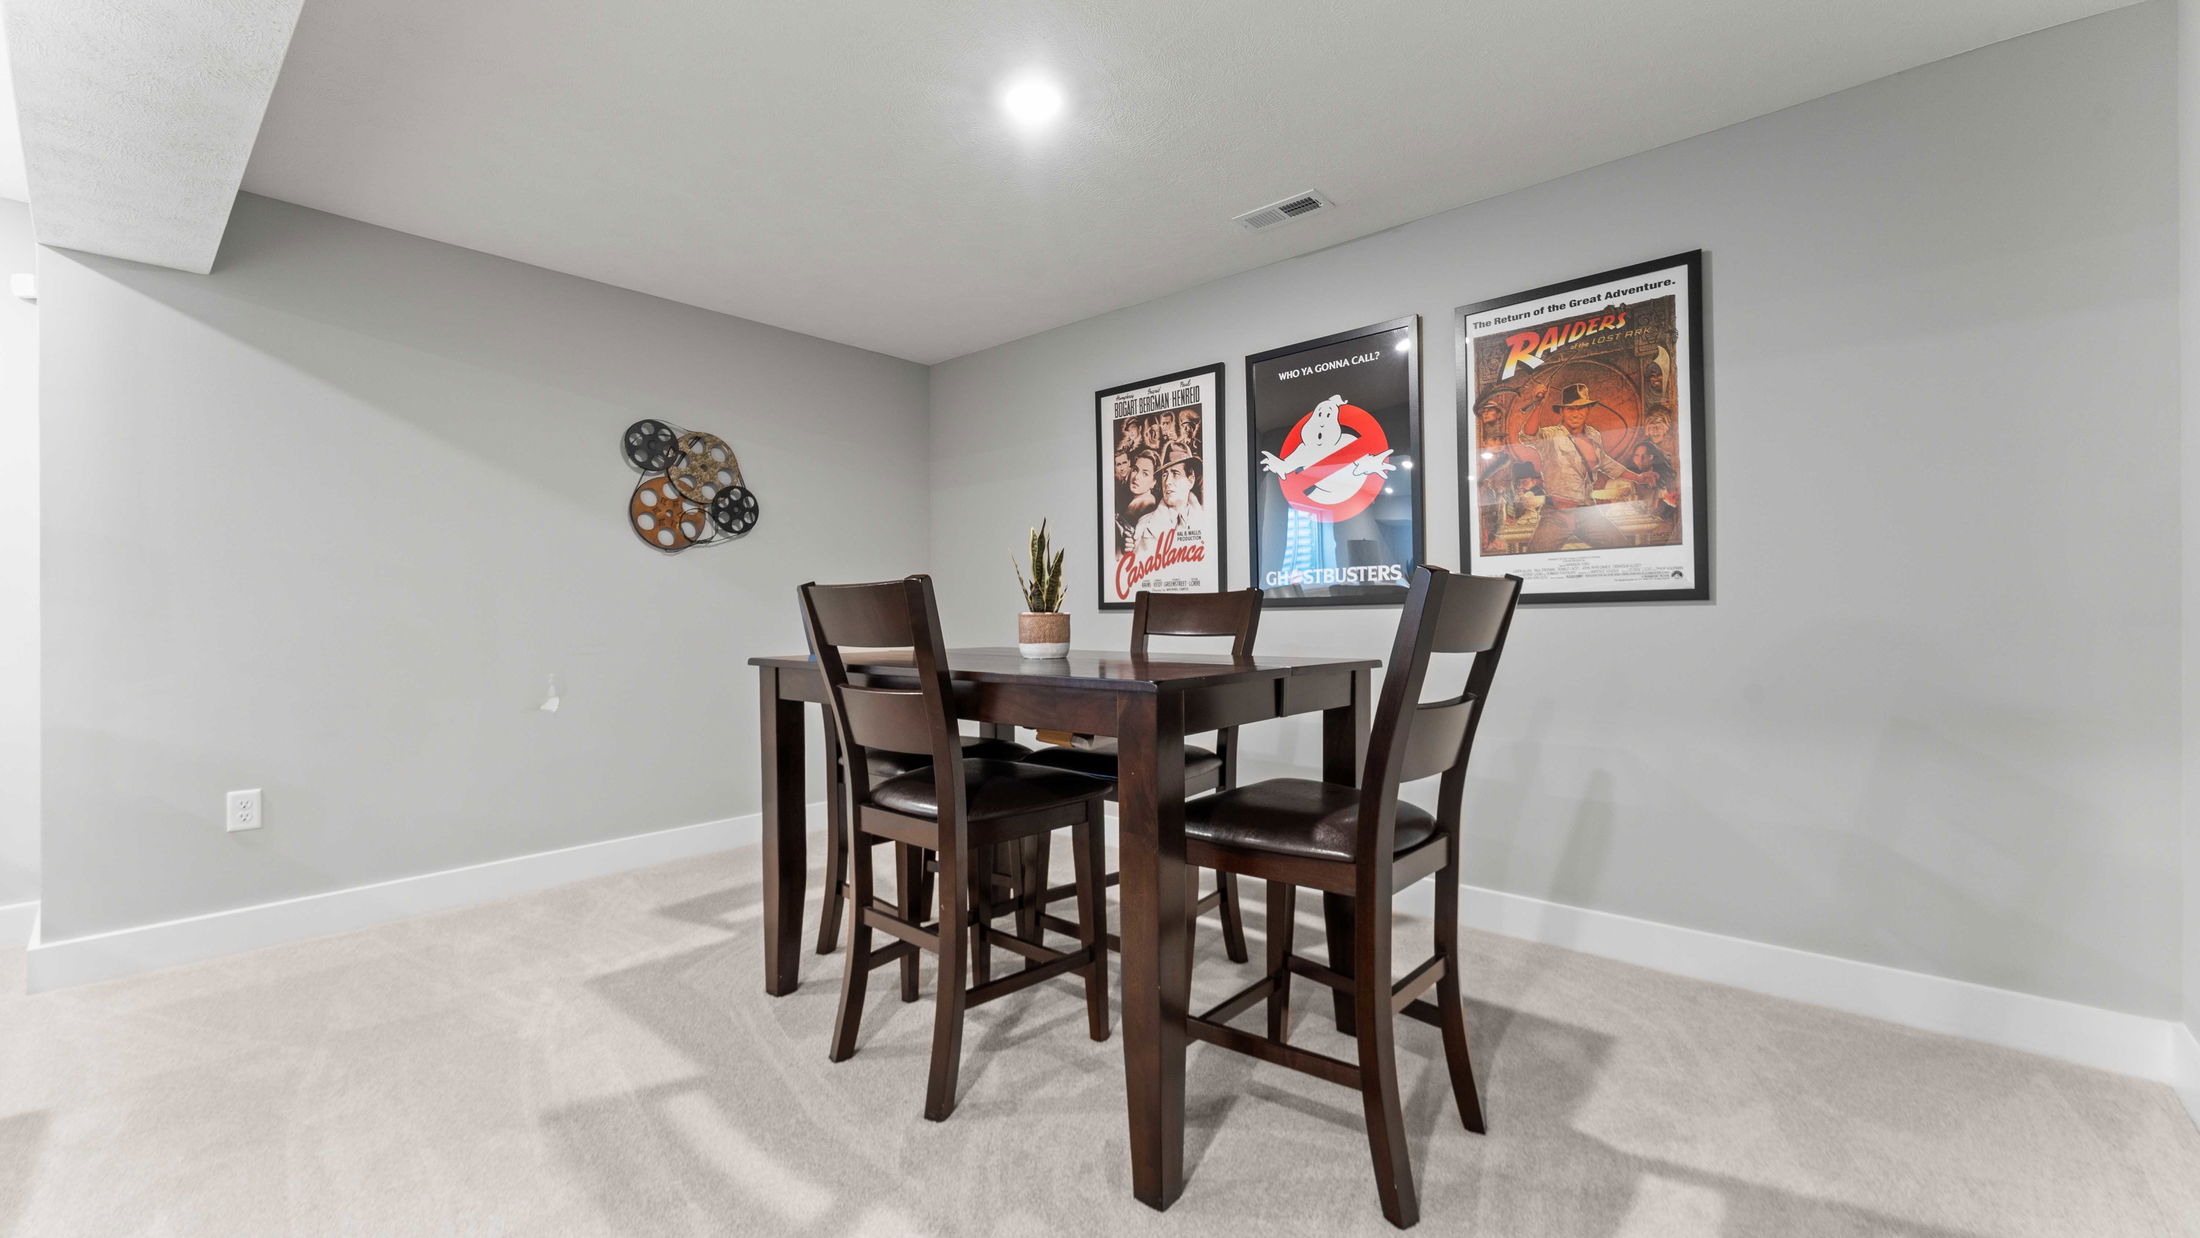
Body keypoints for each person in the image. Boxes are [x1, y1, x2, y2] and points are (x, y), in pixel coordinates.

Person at [1511, 382, 1654, 553]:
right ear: (1562, 411)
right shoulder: (1551, 436)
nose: (1576, 413)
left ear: (1587, 410)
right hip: (1557, 516)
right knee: (1534, 560)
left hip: (1587, 513)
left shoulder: (1593, 435)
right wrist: (1539, 404)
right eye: (1570, 409)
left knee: (1622, 549)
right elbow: (1528, 435)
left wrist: (1638, 478)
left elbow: (1606, 463)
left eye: (1581, 408)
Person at [1133, 442, 1204, 558]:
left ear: (1190, 480)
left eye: (1175, 474)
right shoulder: (1144, 525)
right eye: (1164, 475)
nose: (1167, 482)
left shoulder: (1205, 522)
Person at [1117, 449, 1160, 550]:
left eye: (1145, 474)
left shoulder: (1146, 501)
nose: (1136, 477)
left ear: (1154, 481)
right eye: (1135, 470)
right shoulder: (1132, 498)